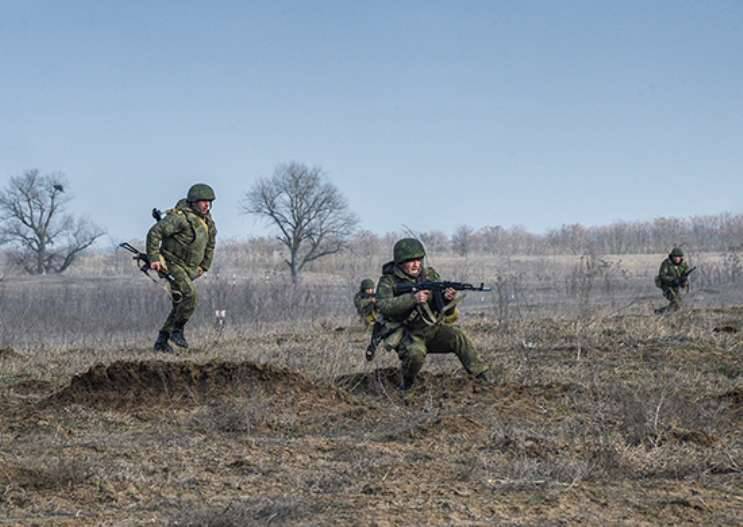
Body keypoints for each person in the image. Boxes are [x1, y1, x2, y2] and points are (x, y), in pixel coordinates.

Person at [375, 238, 490, 390]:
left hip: (432, 329)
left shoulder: (430, 276)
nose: (416, 264)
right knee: (415, 354)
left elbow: (444, 310)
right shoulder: (388, 281)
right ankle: (407, 385)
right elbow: (383, 306)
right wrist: (412, 298)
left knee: (458, 337)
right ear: (400, 262)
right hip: (408, 334)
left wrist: (446, 298)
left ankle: (482, 378)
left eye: (418, 260)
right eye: (410, 261)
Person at [147, 183, 217, 352]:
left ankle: (161, 342)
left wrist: (204, 267)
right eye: (202, 201)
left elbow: (210, 246)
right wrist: (154, 257)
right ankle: (177, 331)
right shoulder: (179, 218)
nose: (206, 205)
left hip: (190, 268)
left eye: (208, 201)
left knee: (181, 303)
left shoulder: (208, 222)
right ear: (193, 202)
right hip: (172, 263)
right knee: (190, 295)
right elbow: (155, 232)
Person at [654, 247, 690, 314]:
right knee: (676, 301)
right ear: (672, 257)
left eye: (678, 257)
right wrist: (673, 280)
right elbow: (662, 276)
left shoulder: (684, 265)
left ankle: (661, 312)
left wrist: (683, 282)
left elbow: (685, 277)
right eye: (675, 257)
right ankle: (662, 312)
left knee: (678, 304)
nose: (677, 258)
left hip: (677, 286)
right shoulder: (666, 264)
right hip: (667, 286)